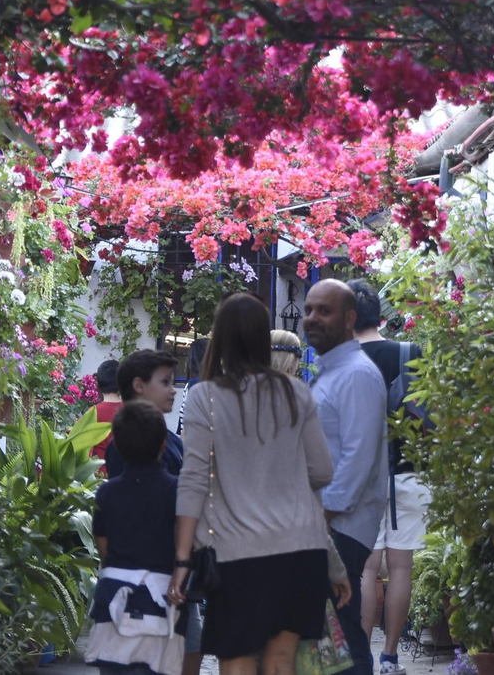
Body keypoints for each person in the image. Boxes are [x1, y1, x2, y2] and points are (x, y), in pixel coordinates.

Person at [170, 293, 351, 675]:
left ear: (220, 338)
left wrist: (183, 558)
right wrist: (278, 476)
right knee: (281, 660)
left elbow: (193, 480)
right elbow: (322, 471)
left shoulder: (205, 397)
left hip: (238, 554)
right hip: (300, 550)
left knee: (236, 657)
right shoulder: (295, 392)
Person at [303, 280, 388, 675]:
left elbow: (359, 456)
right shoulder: (334, 372)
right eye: (309, 310)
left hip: (341, 527)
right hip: (328, 524)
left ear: (350, 318)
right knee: (331, 641)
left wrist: (325, 518)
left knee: (344, 638)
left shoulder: (357, 375)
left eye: (324, 311)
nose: (312, 319)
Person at [349, 281, 428, 675]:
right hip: (405, 472)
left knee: (365, 569)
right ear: (379, 314)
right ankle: (390, 658)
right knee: (401, 568)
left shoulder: (343, 360)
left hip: (362, 479)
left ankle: (361, 656)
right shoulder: (408, 353)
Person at [86, 400, 186, 675]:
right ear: (164, 445)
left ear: (116, 447)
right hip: (161, 602)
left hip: (114, 601)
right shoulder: (176, 490)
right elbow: (182, 542)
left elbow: (104, 550)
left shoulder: (106, 493)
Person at [107, 350, 185, 476]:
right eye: (165, 382)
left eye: (172, 383)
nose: (173, 390)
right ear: (139, 385)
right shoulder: (123, 446)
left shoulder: (174, 442)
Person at [93, 359, 124, 465]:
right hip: (127, 474)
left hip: (98, 476)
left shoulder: (92, 414)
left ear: (98, 384)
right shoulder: (134, 411)